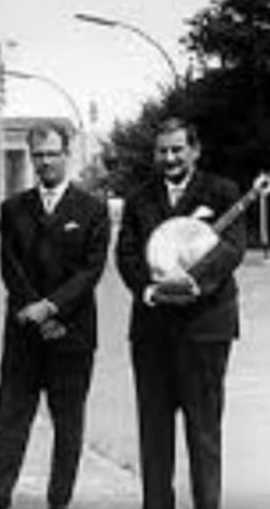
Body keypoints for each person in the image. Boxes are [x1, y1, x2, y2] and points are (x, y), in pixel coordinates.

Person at [0, 121, 110, 509]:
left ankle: (59, 500)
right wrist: (33, 310)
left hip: (72, 335)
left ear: (67, 155)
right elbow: (10, 268)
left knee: (68, 425)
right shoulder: (14, 209)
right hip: (23, 333)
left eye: (53, 154)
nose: (46, 162)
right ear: (31, 158)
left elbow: (90, 271)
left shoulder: (92, 210)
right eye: (39, 155)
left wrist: (51, 308)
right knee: (9, 420)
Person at [115, 117, 244, 509]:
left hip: (206, 329)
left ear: (195, 150)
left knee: (204, 432)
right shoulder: (139, 198)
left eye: (177, 149)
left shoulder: (222, 191)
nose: (169, 158)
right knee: (154, 434)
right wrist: (151, 289)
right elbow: (127, 254)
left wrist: (191, 282)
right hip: (152, 330)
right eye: (162, 151)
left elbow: (231, 249)